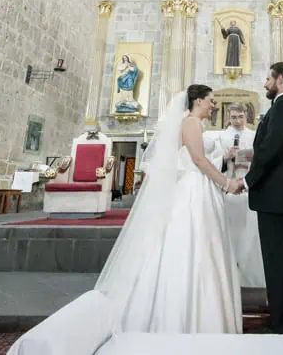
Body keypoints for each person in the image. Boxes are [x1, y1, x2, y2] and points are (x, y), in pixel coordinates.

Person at [94, 85, 244, 333]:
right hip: (194, 190)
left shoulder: (193, 124)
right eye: (210, 100)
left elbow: (195, 160)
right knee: (192, 244)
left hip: (198, 186)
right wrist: (227, 183)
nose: (213, 105)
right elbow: (197, 160)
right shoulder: (191, 123)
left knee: (201, 244)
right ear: (197, 101)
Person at [218, 104, 283, 316]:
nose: (236, 120)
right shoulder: (221, 137)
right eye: (233, 117)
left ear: (246, 117)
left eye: (240, 116)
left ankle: (256, 282)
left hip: (252, 189)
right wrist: (226, 158)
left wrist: (245, 157)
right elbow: (215, 162)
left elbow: (263, 158)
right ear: (227, 117)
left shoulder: (255, 135)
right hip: (230, 187)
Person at [242, 62, 283, 334]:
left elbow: (269, 150)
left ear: (280, 79)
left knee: (279, 260)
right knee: (278, 259)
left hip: (276, 194)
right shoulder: (281, 106)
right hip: (274, 195)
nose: (265, 83)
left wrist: (246, 180)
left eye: (268, 78)